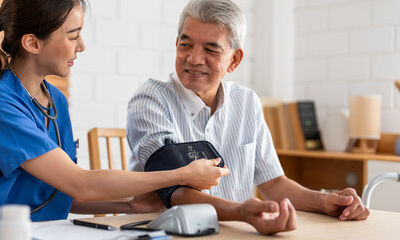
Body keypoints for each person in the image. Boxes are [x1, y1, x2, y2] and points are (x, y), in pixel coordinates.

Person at [0, 0, 229, 227]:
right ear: (32, 43)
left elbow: (59, 194)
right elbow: (80, 183)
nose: (81, 46)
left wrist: (129, 206)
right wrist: (181, 174)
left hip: (41, 231)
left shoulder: (55, 100)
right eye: (73, 36)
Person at [126, 0, 370, 235]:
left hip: (236, 232)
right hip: (167, 233)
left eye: (210, 49)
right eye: (186, 45)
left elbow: (273, 184)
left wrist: (325, 201)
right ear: (177, 43)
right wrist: (241, 212)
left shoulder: (247, 102)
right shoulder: (150, 99)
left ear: (234, 60)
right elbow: (174, 191)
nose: (194, 58)